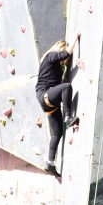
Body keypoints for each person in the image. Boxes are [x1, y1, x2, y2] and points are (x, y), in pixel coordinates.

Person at [36, 33, 80, 177]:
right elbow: (66, 53)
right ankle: (68, 118)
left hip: (48, 103)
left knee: (57, 133)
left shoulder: (50, 65)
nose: (65, 60)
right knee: (66, 87)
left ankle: (50, 163)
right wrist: (75, 39)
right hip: (45, 96)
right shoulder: (51, 56)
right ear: (59, 48)